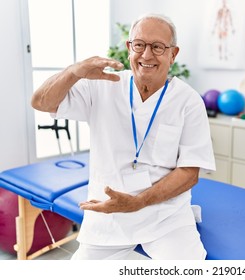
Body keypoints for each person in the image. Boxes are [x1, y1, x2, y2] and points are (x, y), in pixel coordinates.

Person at [31, 13, 216, 260]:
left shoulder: (188, 100)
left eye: (158, 47)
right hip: (108, 211)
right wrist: (73, 72)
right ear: (129, 48)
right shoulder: (102, 84)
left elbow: (189, 173)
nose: (147, 55)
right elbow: (41, 103)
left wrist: (138, 202)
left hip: (166, 215)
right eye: (139, 45)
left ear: (173, 54)